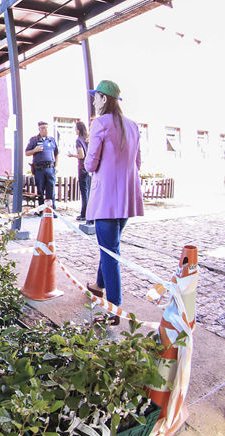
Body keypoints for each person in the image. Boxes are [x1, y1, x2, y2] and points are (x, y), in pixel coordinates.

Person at [83, 80, 144, 325]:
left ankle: (114, 307)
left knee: (110, 252)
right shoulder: (133, 125)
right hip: (127, 199)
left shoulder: (99, 122)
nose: (94, 100)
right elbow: (138, 162)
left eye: (96, 97)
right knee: (110, 246)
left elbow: (90, 162)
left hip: (105, 197)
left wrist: (93, 169)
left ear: (104, 99)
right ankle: (99, 284)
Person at [25, 121, 59, 211]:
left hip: (50, 168)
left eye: (47, 128)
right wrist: (35, 150)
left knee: (51, 190)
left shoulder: (52, 140)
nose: (46, 129)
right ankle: (41, 210)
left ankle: (51, 209)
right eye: (43, 128)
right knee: (40, 190)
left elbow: (57, 153)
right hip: (39, 169)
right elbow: (27, 153)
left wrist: (56, 166)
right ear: (39, 129)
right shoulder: (34, 140)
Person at [67, 120, 90, 222]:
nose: (75, 131)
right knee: (88, 192)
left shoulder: (79, 140)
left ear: (79, 130)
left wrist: (72, 155)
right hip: (89, 167)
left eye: (76, 129)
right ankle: (88, 213)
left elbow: (81, 155)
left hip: (82, 167)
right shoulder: (87, 139)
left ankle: (84, 214)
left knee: (84, 192)